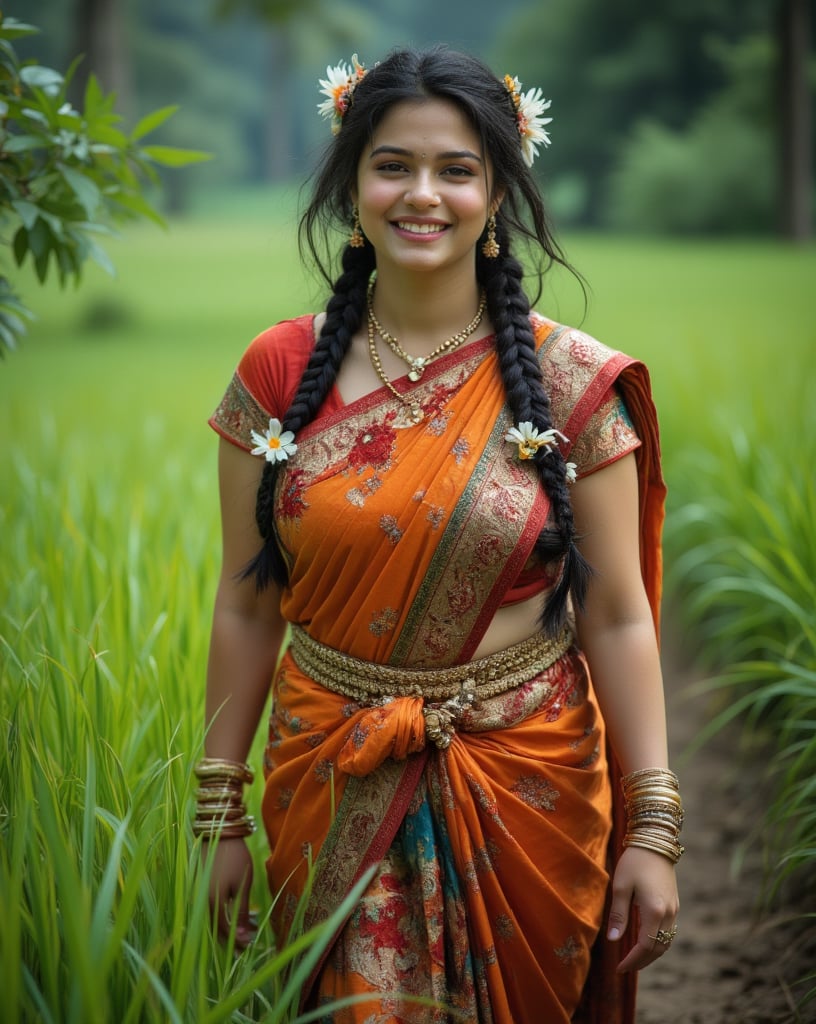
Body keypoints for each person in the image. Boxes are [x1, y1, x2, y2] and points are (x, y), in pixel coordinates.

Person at [197, 46, 681, 1024]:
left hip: (527, 780)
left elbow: (619, 615)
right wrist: (219, 815)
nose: (423, 194)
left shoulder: (572, 384)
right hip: (328, 772)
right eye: (393, 165)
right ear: (352, 183)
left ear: (499, 187)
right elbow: (248, 600)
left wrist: (655, 827)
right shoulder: (280, 370)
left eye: (456, 169)